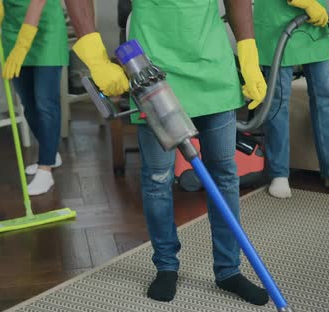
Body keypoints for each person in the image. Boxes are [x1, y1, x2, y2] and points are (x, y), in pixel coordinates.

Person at [62, 0, 270, 305]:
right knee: (157, 178)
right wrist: (95, 57)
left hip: (213, 65)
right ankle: (166, 267)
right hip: (151, 69)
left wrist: (249, 54)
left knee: (224, 174)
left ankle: (229, 270)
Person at [254, 0, 329, 199]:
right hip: (276, 21)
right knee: (278, 101)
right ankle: (279, 174)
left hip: (314, 24)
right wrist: (305, 3)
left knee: (325, 99)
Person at [0, 0, 67, 196]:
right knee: (28, 103)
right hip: (12, 28)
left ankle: (45, 169)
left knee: (45, 103)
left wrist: (23, 45)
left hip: (45, 28)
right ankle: (51, 153)